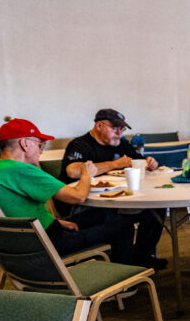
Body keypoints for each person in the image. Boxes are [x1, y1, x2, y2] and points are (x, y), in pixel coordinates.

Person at [0, 118, 141, 265]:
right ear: (24, 143)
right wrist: (86, 174)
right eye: (40, 144)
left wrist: (56, 222)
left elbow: (16, 210)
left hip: (20, 242)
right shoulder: (21, 170)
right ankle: (128, 279)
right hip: (46, 243)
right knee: (123, 226)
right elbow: (78, 196)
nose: (41, 150)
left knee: (102, 214)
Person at [57, 109, 165, 269]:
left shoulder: (121, 144)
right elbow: (72, 171)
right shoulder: (80, 145)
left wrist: (150, 163)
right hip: (85, 205)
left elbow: (139, 161)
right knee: (120, 221)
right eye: (114, 128)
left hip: (118, 199)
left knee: (156, 209)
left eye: (122, 129)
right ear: (99, 125)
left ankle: (141, 256)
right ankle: (124, 263)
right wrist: (114, 164)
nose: (119, 133)